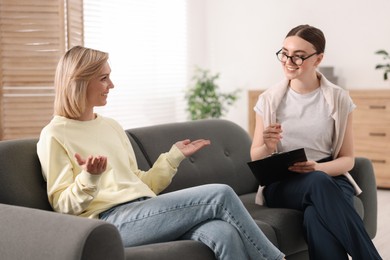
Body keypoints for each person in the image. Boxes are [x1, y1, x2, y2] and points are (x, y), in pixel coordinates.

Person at [37, 46, 285, 260]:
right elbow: (62, 206)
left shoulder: (110, 125)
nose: (111, 85)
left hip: (146, 210)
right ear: (80, 81)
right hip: (110, 222)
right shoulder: (55, 134)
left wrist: (173, 156)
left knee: (224, 233)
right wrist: (89, 178)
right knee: (219, 194)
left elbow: (142, 183)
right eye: (103, 78)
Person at [251, 24, 382, 260]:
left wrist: (319, 168)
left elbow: (347, 159)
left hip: (328, 175)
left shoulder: (338, 99)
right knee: (318, 183)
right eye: (285, 53)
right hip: (283, 183)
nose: (289, 61)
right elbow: (256, 158)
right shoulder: (268, 100)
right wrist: (268, 146)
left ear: (318, 59)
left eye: (299, 56)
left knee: (315, 216)